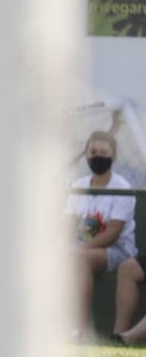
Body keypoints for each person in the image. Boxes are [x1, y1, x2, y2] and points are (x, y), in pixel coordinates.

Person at [68, 130, 137, 338]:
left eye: (104, 152)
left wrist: (78, 249)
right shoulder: (78, 186)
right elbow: (68, 223)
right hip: (82, 249)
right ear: (86, 154)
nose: (98, 157)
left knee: (78, 258)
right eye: (93, 152)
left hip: (116, 251)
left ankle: (80, 330)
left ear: (114, 156)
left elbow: (113, 234)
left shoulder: (122, 188)